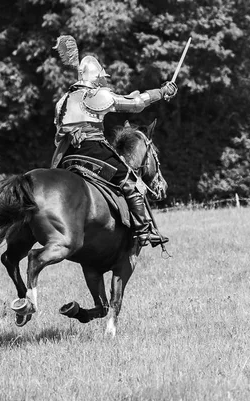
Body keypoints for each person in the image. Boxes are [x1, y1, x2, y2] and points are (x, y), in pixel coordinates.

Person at [51, 35, 178, 248]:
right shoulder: (95, 95)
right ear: (96, 77)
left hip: (66, 155)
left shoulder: (62, 100)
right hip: (92, 151)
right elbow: (136, 103)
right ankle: (142, 230)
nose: (104, 81)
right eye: (102, 78)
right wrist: (162, 92)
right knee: (132, 182)